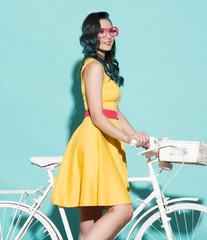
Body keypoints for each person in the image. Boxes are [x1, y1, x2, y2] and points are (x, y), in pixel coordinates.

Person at [51, 12, 150, 240]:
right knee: (123, 210)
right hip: (95, 140)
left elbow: (113, 111)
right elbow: (97, 116)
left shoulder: (104, 67)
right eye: (102, 32)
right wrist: (128, 139)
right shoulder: (94, 67)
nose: (108, 36)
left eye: (111, 31)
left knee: (89, 223)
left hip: (105, 139)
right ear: (91, 36)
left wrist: (136, 135)